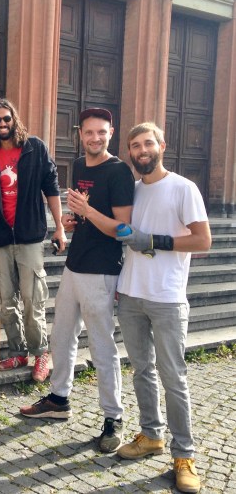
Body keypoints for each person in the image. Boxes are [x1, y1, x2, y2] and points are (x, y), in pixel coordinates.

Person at [20, 108, 135, 453]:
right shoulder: (81, 165)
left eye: (101, 132)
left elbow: (123, 229)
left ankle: (113, 417)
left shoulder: (119, 172)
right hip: (75, 265)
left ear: (111, 133)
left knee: (102, 347)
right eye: (89, 132)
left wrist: (87, 212)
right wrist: (74, 221)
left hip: (101, 270)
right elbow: (88, 215)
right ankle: (59, 399)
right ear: (80, 134)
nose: (95, 138)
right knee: (61, 335)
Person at [115, 123, 211, 493]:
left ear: (162, 146)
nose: (142, 150)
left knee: (174, 378)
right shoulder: (133, 190)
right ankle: (151, 435)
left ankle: (184, 456)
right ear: (129, 152)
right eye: (135, 145)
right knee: (142, 370)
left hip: (168, 297)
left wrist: (155, 241)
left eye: (147, 143)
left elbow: (203, 240)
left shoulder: (184, 188)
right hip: (131, 294)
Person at [0, 98, 66, 382]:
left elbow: (52, 188)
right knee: (6, 299)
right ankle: (17, 351)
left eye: (6, 119)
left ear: (14, 120)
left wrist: (59, 227)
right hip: (1, 238)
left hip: (30, 236)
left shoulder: (34, 148)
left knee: (32, 298)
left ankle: (41, 353)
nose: (2, 124)